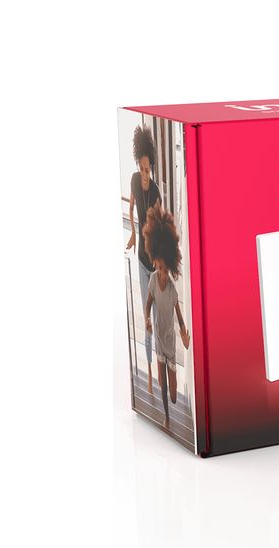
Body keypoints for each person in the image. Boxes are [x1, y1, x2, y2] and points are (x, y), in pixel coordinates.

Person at [125, 126, 162, 395]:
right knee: (146, 316)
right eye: (142, 168)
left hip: (155, 263)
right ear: (138, 164)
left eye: (148, 169)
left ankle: (160, 370)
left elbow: (160, 229)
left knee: (158, 319)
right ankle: (148, 370)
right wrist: (133, 233)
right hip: (140, 260)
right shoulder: (135, 181)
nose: (145, 173)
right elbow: (131, 206)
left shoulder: (156, 191)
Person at [144, 206, 191, 411]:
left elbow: (179, 316)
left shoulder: (172, 289)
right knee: (161, 386)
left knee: (172, 395)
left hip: (170, 344)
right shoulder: (153, 280)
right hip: (159, 339)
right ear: (155, 261)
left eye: (166, 269)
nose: (163, 273)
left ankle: (169, 404)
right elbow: (148, 303)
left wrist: (184, 334)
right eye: (160, 268)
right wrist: (146, 319)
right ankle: (165, 417)